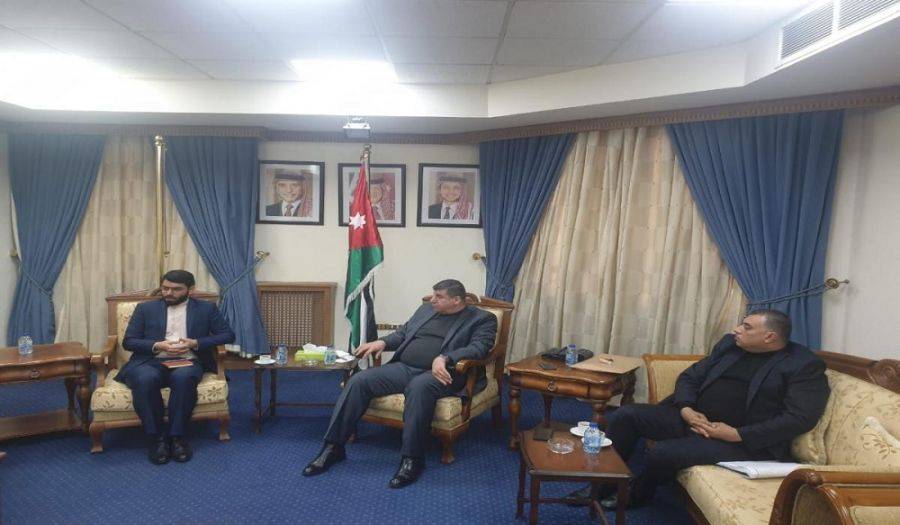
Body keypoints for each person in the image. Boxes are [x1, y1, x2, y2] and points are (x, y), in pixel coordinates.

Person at [567, 310, 830, 509]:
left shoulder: (803, 365)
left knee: (662, 453)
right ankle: (600, 487)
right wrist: (686, 408)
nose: (737, 329)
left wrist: (737, 434)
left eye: (746, 327)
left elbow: (800, 418)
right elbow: (690, 377)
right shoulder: (730, 345)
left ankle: (636, 494)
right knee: (625, 415)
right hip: (692, 418)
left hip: (740, 440)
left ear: (769, 336)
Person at [302, 279, 498, 488]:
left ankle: (412, 459)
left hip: (444, 374)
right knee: (359, 380)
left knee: (419, 387)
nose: (432, 300)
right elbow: (404, 334)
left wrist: (446, 358)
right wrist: (382, 342)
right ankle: (333, 447)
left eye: (439, 297)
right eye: (433, 294)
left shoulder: (482, 319)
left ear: (457, 300)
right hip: (405, 368)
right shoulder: (426, 310)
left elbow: (480, 347)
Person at [117, 270, 235, 465]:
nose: (168, 293)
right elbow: (129, 341)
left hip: (188, 359)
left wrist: (195, 343)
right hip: (150, 361)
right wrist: (157, 345)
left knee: (184, 378)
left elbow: (227, 335)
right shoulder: (145, 308)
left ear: (191, 289)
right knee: (145, 379)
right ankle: (156, 438)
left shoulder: (206, 308)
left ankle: (177, 437)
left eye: (176, 289)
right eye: (165, 288)